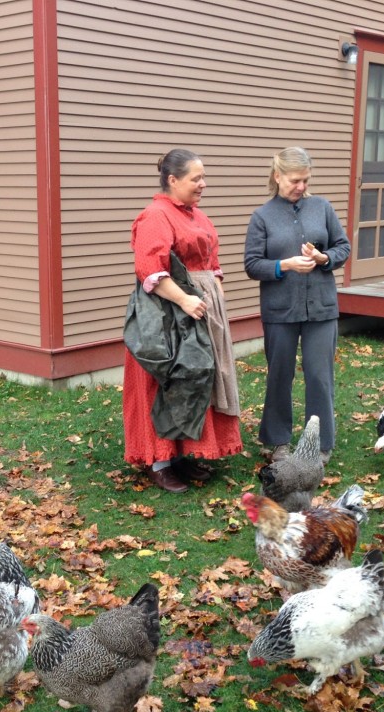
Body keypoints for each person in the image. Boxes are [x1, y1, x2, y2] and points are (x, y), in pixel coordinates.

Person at [123, 148, 242, 493]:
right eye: (196, 179)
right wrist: (186, 299)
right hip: (165, 311)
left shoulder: (197, 216)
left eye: (204, 177)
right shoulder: (155, 215)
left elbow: (211, 261)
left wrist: (213, 295)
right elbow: (150, 269)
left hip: (199, 308)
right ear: (173, 180)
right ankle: (159, 461)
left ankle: (182, 454)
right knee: (169, 377)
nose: (203, 184)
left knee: (197, 376)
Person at [243, 147, 351, 464]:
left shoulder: (322, 208)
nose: (301, 187)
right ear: (278, 177)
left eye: (305, 180)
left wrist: (324, 258)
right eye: (295, 180)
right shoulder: (262, 217)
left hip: (321, 309)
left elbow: (342, 246)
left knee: (319, 376)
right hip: (280, 311)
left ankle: (319, 444)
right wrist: (284, 265)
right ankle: (278, 442)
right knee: (280, 375)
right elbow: (251, 264)